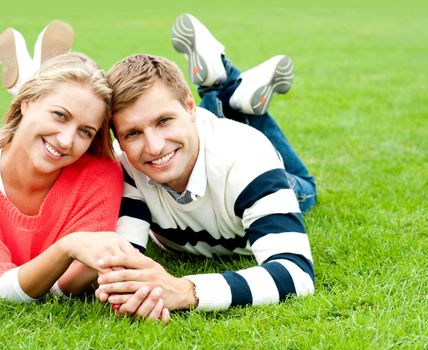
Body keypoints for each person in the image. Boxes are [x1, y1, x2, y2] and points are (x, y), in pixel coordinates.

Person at [94, 13, 316, 317]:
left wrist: (188, 291)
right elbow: (125, 261)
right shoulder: (126, 165)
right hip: (210, 148)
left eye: (164, 120)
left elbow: (295, 273)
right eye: (133, 133)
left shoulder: (247, 159)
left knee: (305, 190)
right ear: (118, 137)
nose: (153, 146)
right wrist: (133, 290)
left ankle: (223, 88)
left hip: (248, 163)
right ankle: (227, 92)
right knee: (181, 145)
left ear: (189, 106)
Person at [0, 24, 136, 304]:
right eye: (60, 115)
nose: (66, 141)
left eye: (85, 131)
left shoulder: (99, 173)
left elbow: (69, 284)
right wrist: (67, 248)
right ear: (25, 103)